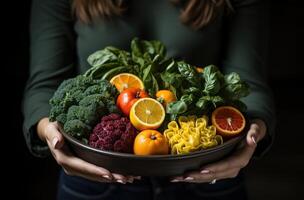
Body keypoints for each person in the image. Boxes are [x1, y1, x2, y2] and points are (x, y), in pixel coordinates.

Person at [22, 0, 275, 199]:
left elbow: (248, 83)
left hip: (208, 176)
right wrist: (50, 134)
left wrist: (254, 132)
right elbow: (44, 85)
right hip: (94, 177)